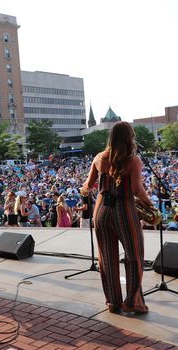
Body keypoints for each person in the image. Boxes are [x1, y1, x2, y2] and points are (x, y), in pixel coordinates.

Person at [81, 121, 150, 314]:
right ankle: (132, 302)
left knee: (107, 258)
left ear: (111, 138)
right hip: (124, 211)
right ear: (130, 138)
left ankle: (113, 302)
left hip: (101, 211)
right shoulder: (133, 161)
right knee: (134, 256)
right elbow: (137, 189)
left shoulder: (98, 158)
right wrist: (149, 204)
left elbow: (88, 186)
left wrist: (85, 189)